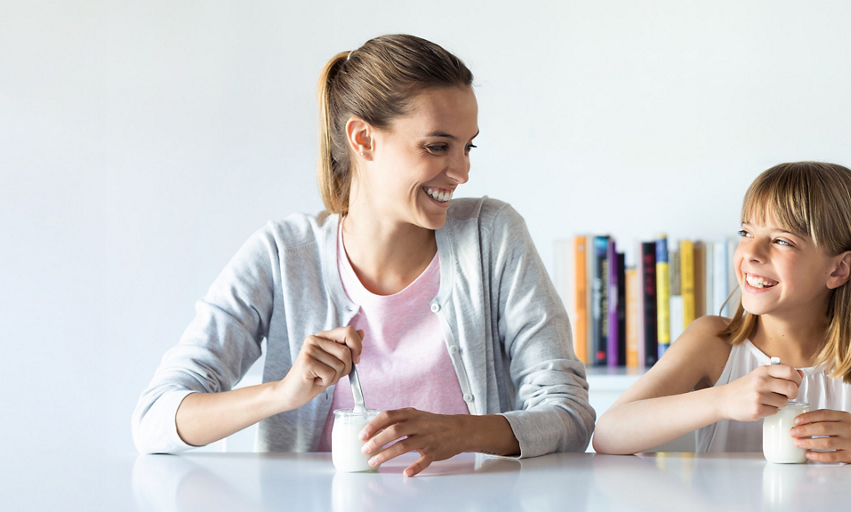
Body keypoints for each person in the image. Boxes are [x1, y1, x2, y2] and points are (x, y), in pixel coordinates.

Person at [132, 34, 593, 476]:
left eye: (467, 147)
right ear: (363, 139)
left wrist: (462, 432)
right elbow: (155, 419)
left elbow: (569, 413)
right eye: (437, 146)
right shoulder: (282, 254)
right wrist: (282, 394)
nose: (462, 172)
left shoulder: (491, 236)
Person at [592, 162, 851, 461]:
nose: (750, 254)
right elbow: (611, 433)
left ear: (838, 268)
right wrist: (722, 400)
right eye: (746, 232)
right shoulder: (715, 343)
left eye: (782, 241)